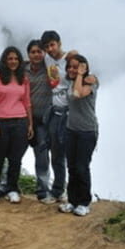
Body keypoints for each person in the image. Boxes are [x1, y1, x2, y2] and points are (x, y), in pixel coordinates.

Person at [0, 46, 33, 204]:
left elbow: (27, 103)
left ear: (20, 61)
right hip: (1, 121)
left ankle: (12, 189)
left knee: (15, 159)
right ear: (4, 61)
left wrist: (30, 125)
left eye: (16, 59)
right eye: (10, 59)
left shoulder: (23, 79)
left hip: (20, 121)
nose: (13, 61)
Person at [58, 54, 99, 216]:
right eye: (70, 67)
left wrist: (81, 74)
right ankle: (72, 200)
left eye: (75, 67)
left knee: (82, 167)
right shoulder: (70, 81)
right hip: (71, 129)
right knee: (72, 167)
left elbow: (77, 94)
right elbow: (71, 53)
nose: (71, 70)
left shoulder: (91, 82)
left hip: (87, 131)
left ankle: (84, 202)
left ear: (84, 67)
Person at [40, 30, 70, 204]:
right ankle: (58, 190)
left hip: (69, 112)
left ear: (59, 43)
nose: (50, 49)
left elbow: (85, 71)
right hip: (55, 112)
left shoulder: (70, 60)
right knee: (56, 154)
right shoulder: (48, 59)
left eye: (52, 44)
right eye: (47, 46)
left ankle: (71, 192)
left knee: (70, 155)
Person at [24, 39, 54, 202]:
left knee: (42, 156)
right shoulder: (23, 70)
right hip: (23, 118)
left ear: (44, 54)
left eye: (39, 52)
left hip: (43, 120)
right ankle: (7, 186)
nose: (36, 54)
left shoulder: (50, 70)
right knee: (13, 153)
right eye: (33, 52)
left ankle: (43, 191)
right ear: (28, 54)